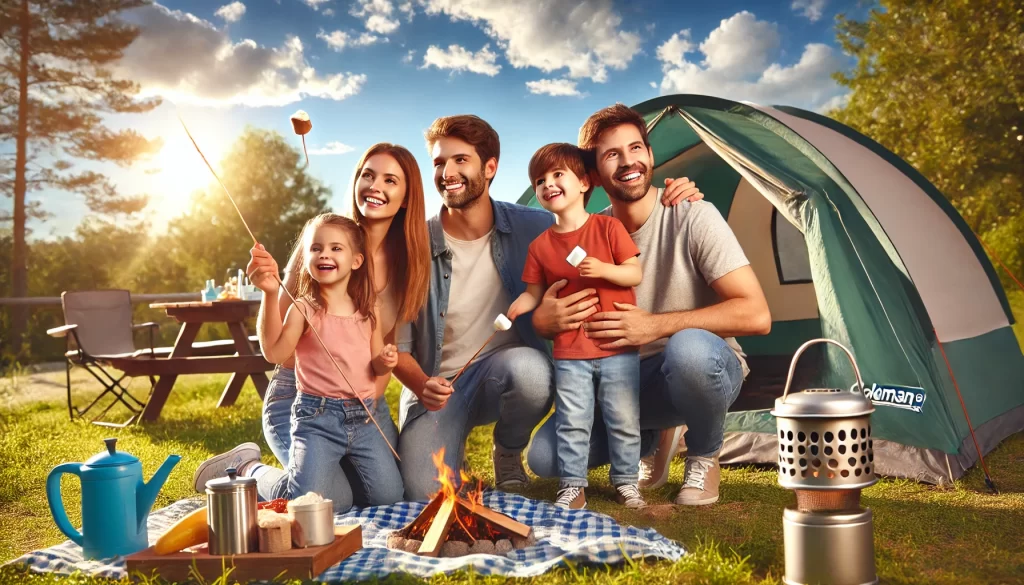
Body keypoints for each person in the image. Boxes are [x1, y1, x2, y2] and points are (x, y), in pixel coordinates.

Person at [394, 114, 708, 501]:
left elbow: (586, 223)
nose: (447, 172)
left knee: (532, 371)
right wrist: (421, 385)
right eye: (440, 162)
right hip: (437, 387)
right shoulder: (416, 244)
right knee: (422, 492)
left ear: (490, 167)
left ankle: (509, 450)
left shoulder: (535, 226)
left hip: (506, 373)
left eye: (461, 160)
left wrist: (670, 191)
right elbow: (399, 345)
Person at [527, 103, 771, 506]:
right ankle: (649, 435)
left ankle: (704, 454)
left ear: (650, 154)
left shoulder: (693, 214)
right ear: (591, 177)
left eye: (636, 148)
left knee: (689, 351)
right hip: (618, 381)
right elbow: (548, 307)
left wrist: (653, 326)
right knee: (544, 457)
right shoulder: (585, 232)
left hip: (697, 367)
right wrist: (543, 321)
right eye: (612, 154)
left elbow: (757, 314)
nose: (629, 162)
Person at [193, 213, 404, 513]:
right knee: (308, 505)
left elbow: (375, 366)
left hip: (364, 420)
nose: (324, 254)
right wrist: (269, 293)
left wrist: (387, 361)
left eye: (335, 248)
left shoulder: (369, 311)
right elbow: (274, 353)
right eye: (316, 248)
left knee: (389, 497)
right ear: (305, 258)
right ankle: (248, 469)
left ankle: (326, 478)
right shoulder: (304, 308)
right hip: (316, 420)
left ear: (356, 261)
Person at [261, 144, 430, 469]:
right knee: (329, 500)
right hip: (301, 397)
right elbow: (278, 346)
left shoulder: (407, 265)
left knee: (384, 493)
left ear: (407, 197)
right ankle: (248, 469)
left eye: (390, 180)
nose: (375, 186)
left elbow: (386, 351)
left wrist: (373, 406)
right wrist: (268, 289)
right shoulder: (322, 243)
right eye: (367, 175)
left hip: (364, 408)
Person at [507, 143, 645, 510]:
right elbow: (535, 293)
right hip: (570, 354)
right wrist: (519, 306)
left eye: (557, 175)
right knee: (572, 420)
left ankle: (627, 482)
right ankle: (572, 487)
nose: (548, 184)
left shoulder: (609, 227)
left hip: (618, 348)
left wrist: (603, 271)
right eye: (540, 180)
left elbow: (635, 272)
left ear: (584, 183)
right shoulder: (540, 247)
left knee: (623, 417)